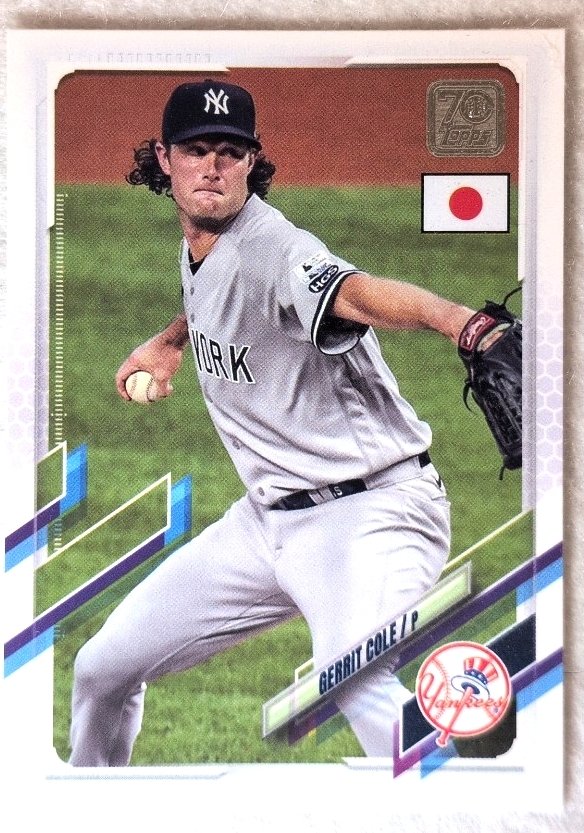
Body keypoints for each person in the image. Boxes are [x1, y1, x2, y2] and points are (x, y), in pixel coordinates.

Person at [68, 79, 475, 766]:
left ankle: (461, 807)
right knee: (101, 670)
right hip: (265, 526)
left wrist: (455, 319)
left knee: (354, 675)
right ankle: (86, 810)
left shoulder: (281, 248)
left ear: (251, 162)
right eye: (197, 150)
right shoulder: (206, 239)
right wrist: (169, 341)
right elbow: (220, 294)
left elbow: (353, 294)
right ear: (165, 159)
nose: (213, 166)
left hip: (372, 513)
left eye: (230, 152)